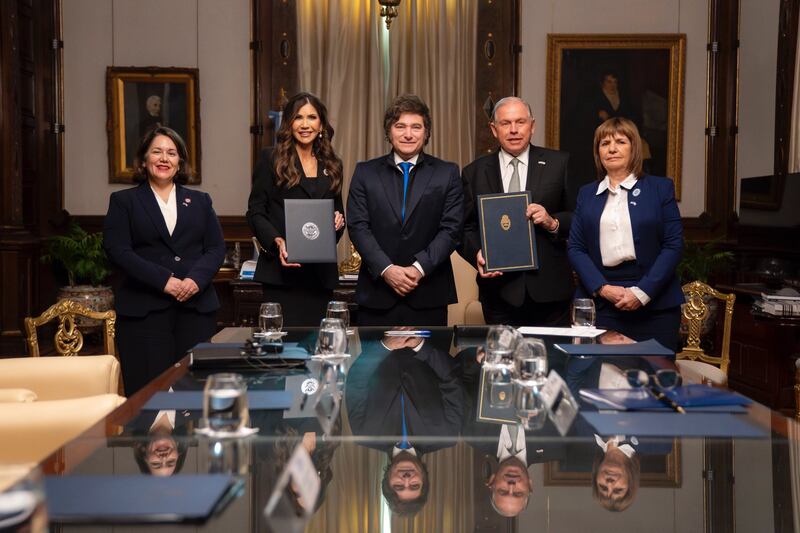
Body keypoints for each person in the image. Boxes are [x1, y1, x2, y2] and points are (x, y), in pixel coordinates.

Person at [103, 126, 225, 395]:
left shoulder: (201, 201)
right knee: (148, 400)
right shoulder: (124, 201)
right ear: (143, 160)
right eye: (156, 152)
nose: (164, 158)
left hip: (195, 310)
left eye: (171, 153)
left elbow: (216, 248)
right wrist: (164, 281)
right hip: (145, 313)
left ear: (180, 161)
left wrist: (194, 280)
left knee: (195, 398)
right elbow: (117, 250)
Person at [567, 117, 684, 352]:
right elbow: (575, 247)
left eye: (620, 141)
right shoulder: (586, 194)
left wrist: (642, 293)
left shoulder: (660, 188)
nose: (611, 149)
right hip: (602, 306)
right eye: (604, 143)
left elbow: (674, 244)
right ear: (597, 151)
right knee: (599, 381)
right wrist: (602, 288)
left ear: (634, 148)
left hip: (655, 305)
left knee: (655, 382)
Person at [346, 94, 463, 326]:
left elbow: (452, 229)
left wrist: (418, 269)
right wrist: (387, 269)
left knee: (427, 363)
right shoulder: (365, 172)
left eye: (416, 127)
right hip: (376, 294)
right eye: (400, 126)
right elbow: (358, 227)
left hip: (428, 293)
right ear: (389, 132)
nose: (408, 134)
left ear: (426, 132)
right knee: (377, 363)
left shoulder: (447, 173)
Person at [461, 96, 575, 326]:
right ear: (494, 129)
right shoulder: (474, 172)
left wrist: (552, 221)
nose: (514, 130)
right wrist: (476, 254)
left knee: (552, 361)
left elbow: (579, 218)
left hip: (550, 291)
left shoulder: (559, 163)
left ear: (532, 126)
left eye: (520, 122)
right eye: (505, 123)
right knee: (502, 361)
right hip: (498, 292)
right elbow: (465, 227)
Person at [246, 92, 345, 326]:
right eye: (298, 117)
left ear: (321, 124)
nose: (304, 124)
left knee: (318, 352)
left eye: (311, 117)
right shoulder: (271, 158)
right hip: (280, 278)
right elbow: (255, 211)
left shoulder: (332, 164)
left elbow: (337, 217)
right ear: (289, 123)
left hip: (320, 279)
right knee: (281, 354)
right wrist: (277, 241)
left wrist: (337, 223)